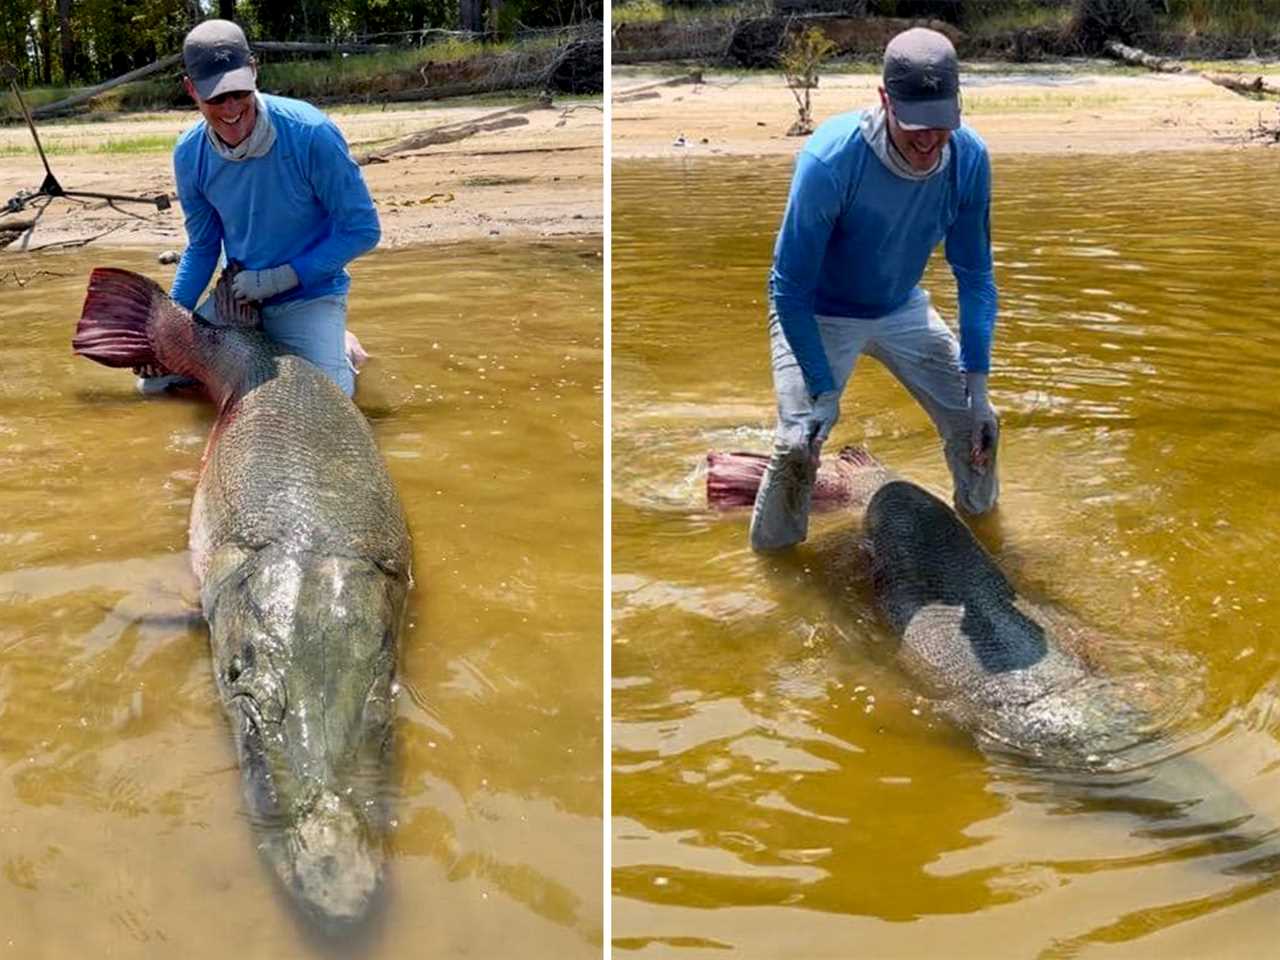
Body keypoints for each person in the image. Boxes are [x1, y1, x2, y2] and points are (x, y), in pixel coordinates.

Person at [749, 27, 1000, 552]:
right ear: (885, 100)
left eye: (941, 124)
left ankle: (984, 538)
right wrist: (820, 391)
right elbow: (787, 286)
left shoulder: (970, 159)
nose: (929, 141)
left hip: (900, 306)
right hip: (817, 310)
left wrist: (977, 389)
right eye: (914, 127)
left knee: (979, 425)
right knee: (798, 443)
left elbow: (975, 276)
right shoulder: (830, 161)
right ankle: (775, 565)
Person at [141, 18, 380, 397]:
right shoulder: (190, 153)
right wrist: (170, 324)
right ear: (191, 90)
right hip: (239, 299)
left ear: (254, 71)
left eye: (239, 91)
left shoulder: (311, 133)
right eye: (215, 97)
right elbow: (203, 248)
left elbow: (363, 230)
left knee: (332, 400)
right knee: (153, 384)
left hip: (309, 294)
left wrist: (283, 277)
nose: (231, 108)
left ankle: (339, 344)